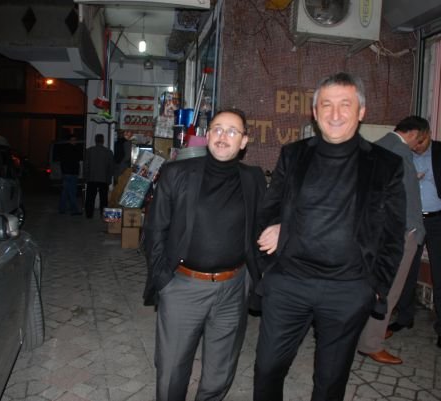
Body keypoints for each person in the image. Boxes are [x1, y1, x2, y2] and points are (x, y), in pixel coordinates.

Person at [253, 72, 406, 401]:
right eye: (326, 105)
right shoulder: (293, 154)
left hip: (347, 291)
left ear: (361, 111)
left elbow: (394, 235)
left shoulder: (386, 164)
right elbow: (269, 210)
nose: (335, 114)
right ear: (315, 111)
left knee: (330, 382)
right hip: (289, 284)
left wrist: (374, 288)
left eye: (345, 105)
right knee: (267, 370)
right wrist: (274, 246)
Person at [143, 108, 267, 401]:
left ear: (244, 141)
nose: (223, 136)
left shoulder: (253, 178)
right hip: (183, 287)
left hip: (233, 288)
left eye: (233, 131)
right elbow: (155, 230)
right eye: (218, 129)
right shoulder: (177, 173)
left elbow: (263, 222)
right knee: (172, 372)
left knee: (219, 374)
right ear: (208, 135)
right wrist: (163, 280)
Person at [389, 124, 441, 350]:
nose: (417, 146)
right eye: (414, 142)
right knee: (406, 272)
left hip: (440, 221)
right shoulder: (403, 153)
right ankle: (405, 317)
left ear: (429, 134)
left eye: (421, 141)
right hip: (412, 220)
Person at [357, 116, 427, 365]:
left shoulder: (377, 146)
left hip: (378, 232)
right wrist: (413, 231)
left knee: (374, 286)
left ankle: (367, 331)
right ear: (415, 133)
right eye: (422, 140)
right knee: (390, 289)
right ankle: (371, 343)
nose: (420, 146)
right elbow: (404, 200)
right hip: (399, 234)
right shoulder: (400, 151)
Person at [84, 134, 115, 219]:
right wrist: (109, 178)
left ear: (95, 140)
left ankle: (89, 214)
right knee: (103, 199)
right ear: (103, 141)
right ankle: (103, 214)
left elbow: (86, 165)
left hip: (91, 178)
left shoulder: (89, 151)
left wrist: (86, 177)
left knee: (90, 198)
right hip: (104, 179)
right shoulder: (108, 152)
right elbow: (111, 167)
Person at [58, 135, 83, 215]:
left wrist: (63, 172)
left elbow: (62, 162)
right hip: (71, 174)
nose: (74, 141)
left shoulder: (65, 149)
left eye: (75, 140)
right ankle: (74, 210)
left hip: (66, 173)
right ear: (70, 141)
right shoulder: (75, 149)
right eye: (73, 140)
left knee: (65, 191)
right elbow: (78, 160)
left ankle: (62, 209)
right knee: (72, 191)